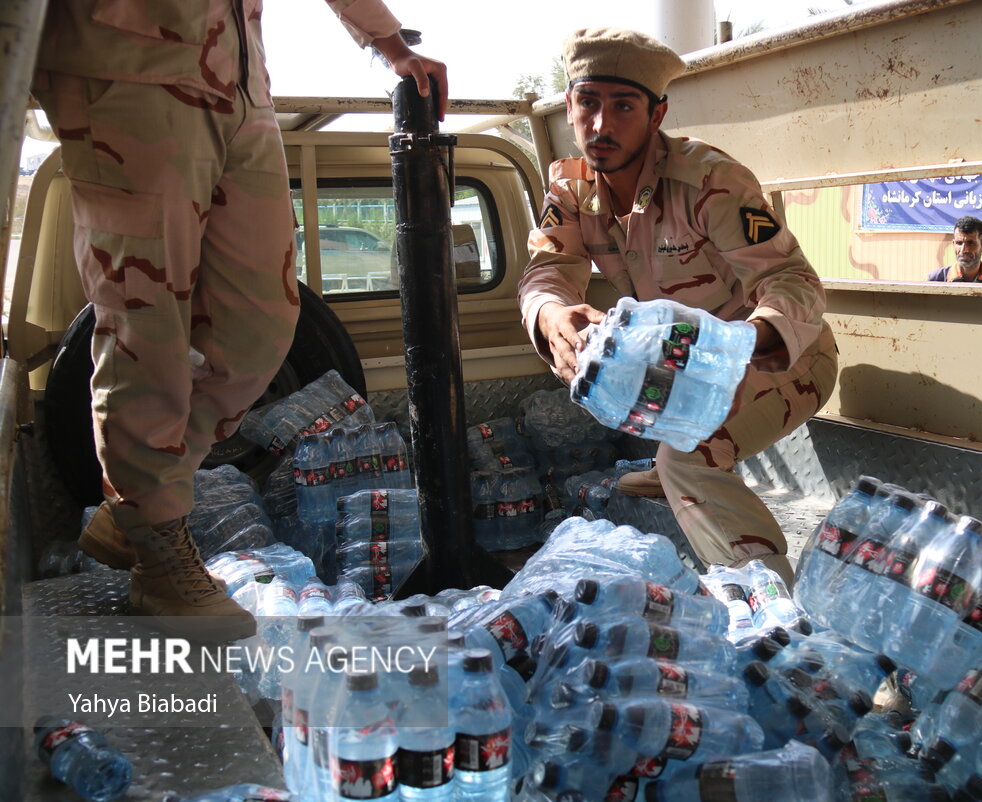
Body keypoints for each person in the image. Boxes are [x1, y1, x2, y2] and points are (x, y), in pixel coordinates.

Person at [33, 0, 447, 643]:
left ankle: (139, 500)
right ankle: (158, 549)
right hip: (124, 61)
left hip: (238, 76)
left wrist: (390, 45)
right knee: (145, 322)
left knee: (260, 326)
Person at [518, 28, 837, 584]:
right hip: (686, 370)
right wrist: (550, 314)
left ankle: (773, 612)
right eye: (588, 103)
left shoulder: (709, 181)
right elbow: (547, 272)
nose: (601, 125)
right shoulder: (569, 192)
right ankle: (672, 471)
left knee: (684, 458)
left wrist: (744, 340)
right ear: (569, 107)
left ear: (656, 114)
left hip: (784, 360)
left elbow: (794, 281)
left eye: (623, 106)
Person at [926, 216, 982, 283]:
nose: (963, 249)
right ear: (953, 244)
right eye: (959, 243)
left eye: (970, 243)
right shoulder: (935, 280)